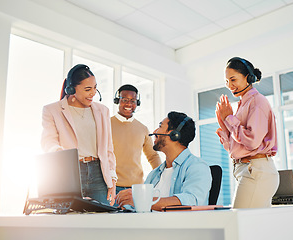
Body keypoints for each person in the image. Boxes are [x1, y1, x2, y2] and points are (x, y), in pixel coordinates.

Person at [41, 64, 117, 206]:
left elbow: (108, 149)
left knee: (102, 222)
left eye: (95, 87)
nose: (93, 93)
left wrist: (112, 180)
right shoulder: (52, 110)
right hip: (71, 173)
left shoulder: (103, 111)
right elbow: (48, 143)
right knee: (70, 222)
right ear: (71, 89)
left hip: (99, 174)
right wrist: (64, 160)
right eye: (88, 89)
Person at [215, 57, 279, 208]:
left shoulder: (257, 102)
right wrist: (224, 122)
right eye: (226, 81)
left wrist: (229, 118)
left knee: (238, 222)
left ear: (248, 77)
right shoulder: (243, 104)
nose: (229, 86)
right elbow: (234, 148)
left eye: (233, 79)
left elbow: (252, 141)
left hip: (256, 170)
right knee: (252, 227)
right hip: (249, 170)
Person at [116, 111, 212, 211]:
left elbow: (191, 201)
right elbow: (140, 207)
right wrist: (125, 203)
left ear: (174, 134)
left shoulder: (197, 167)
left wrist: (139, 200)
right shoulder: (154, 174)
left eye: (160, 126)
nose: (155, 131)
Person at [111, 84, 161, 195]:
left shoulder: (143, 129)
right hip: (111, 186)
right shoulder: (106, 125)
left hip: (136, 188)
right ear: (117, 101)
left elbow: (153, 156)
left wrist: (161, 178)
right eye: (125, 100)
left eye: (133, 101)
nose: (129, 104)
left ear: (137, 103)